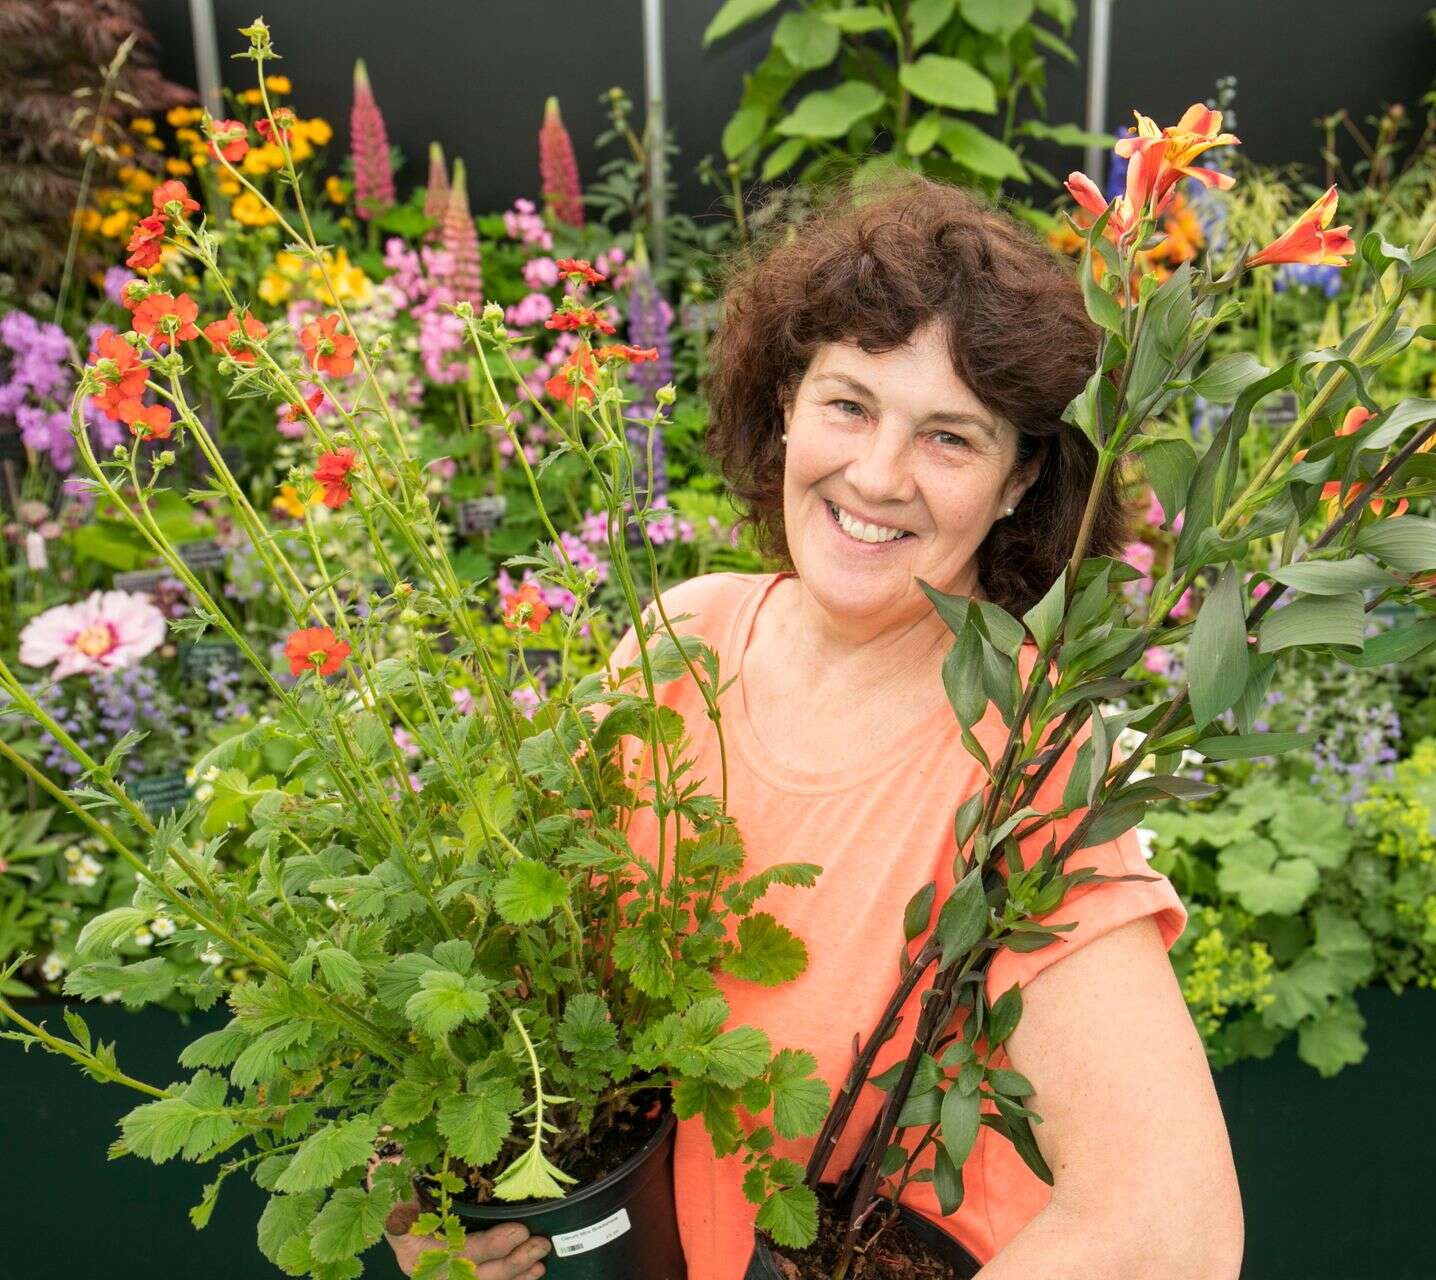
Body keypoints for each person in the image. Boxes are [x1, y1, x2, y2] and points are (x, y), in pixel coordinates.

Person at [388, 174, 1243, 1280]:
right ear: (785, 400)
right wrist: (456, 1211)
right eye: (848, 404)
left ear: (1021, 477)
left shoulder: (1028, 754)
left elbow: (1170, 1232)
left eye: (949, 435)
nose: (877, 475)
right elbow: (535, 1007)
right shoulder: (679, 638)